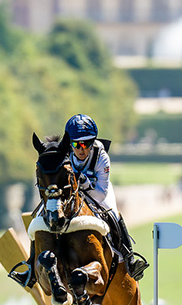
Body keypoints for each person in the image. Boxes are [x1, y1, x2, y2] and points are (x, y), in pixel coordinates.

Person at [62, 113, 148, 280]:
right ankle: (31, 265)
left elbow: (100, 195)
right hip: (72, 196)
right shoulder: (64, 155)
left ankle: (130, 259)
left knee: (113, 214)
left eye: (86, 144)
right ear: (69, 143)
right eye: (76, 144)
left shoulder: (101, 157)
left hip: (97, 193)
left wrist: (84, 183)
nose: (81, 149)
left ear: (93, 141)